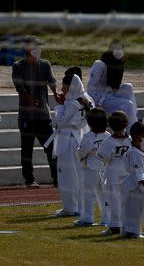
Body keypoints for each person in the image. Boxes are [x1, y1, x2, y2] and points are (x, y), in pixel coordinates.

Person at [11, 35, 59, 187]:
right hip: (26, 115)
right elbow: (20, 87)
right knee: (27, 149)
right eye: (35, 47)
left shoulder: (45, 64)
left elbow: (51, 80)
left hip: (44, 115)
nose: (38, 50)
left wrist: (56, 93)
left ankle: (57, 177)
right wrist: (29, 100)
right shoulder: (18, 66)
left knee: (51, 147)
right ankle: (29, 179)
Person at [52, 73, 94, 217]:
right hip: (80, 137)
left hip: (68, 140)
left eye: (64, 85)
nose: (62, 88)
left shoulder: (72, 103)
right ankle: (79, 205)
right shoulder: (88, 99)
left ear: (70, 86)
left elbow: (61, 121)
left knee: (67, 176)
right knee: (78, 174)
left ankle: (70, 207)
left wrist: (58, 107)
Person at [87, 40, 138, 124]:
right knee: (128, 104)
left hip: (110, 94)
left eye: (121, 49)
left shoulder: (118, 64)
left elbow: (115, 85)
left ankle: (133, 117)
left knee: (128, 87)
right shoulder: (100, 64)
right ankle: (133, 129)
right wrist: (94, 105)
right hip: (101, 100)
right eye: (116, 48)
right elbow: (91, 86)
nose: (119, 51)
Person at [97, 111, 131, 235]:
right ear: (126, 123)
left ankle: (115, 226)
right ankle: (126, 224)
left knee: (113, 201)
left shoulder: (108, 142)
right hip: (127, 173)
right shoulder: (130, 140)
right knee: (125, 201)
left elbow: (102, 157)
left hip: (113, 174)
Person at [75, 107, 110, 227]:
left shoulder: (88, 137)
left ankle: (87, 218)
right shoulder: (107, 135)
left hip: (90, 168)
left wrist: (81, 154)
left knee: (88, 194)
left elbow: (82, 152)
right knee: (104, 194)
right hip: (105, 169)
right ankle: (106, 218)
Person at [121, 122, 144, 239]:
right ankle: (133, 231)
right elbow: (136, 169)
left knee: (135, 208)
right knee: (135, 208)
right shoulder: (134, 152)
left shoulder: (136, 150)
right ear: (138, 137)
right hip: (135, 185)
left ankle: (132, 229)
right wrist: (142, 181)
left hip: (133, 183)